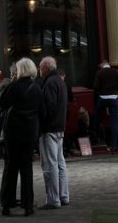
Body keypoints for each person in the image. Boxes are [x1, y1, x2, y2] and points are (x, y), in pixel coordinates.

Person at [0, 57, 42, 216]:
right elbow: (41, 110)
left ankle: (7, 204)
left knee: (11, 168)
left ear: (20, 71)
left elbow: (3, 103)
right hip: (29, 133)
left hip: (13, 133)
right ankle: (28, 205)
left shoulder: (14, 87)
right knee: (26, 169)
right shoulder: (36, 89)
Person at [38, 56, 70, 209]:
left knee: (50, 164)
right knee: (60, 162)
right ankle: (64, 195)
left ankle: (53, 199)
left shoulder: (49, 83)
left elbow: (48, 107)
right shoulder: (60, 81)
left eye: (40, 67)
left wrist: (40, 120)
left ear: (46, 68)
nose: (39, 70)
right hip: (59, 127)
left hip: (49, 128)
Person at [91, 60, 118, 152]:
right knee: (114, 122)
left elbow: (95, 86)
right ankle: (113, 145)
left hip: (102, 97)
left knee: (97, 117)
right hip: (113, 97)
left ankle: (95, 138)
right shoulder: (115, 72)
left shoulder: (99, 73)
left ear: (101, 66)